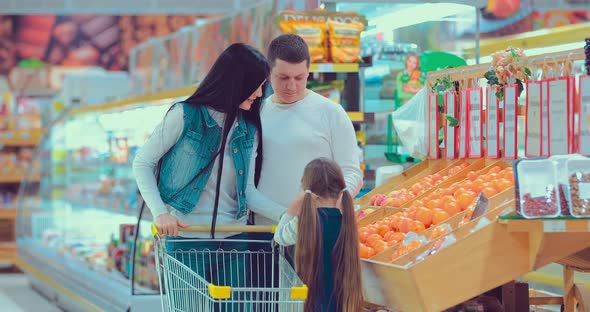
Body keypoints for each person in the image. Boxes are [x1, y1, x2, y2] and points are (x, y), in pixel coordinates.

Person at [132, 43, 277, 297]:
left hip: (234, 242)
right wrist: (160, 213)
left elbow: (249, 193)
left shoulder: (249, 129)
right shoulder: (185, 116)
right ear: (236, 82)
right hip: (189, 241)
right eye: (255, 84)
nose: (259, 92)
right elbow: (142, 163)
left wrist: (291, 215)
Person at [247, 33, 363, 226]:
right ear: (269, 72)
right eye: (283, 77)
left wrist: (331, 208)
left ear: (308, 72)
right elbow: (247, 189)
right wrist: (288, 217)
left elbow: (352, 173)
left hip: (318, 228)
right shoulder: (255, 114)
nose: (291, 86)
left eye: (299, 78)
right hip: (265, 231)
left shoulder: (331, 112)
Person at [274, 157, 364, 312]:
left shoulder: (302, 223)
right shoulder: (347, 221)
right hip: (341, 305)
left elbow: (279, 236)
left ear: (308, 192)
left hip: (311, 305)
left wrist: (293, 206)